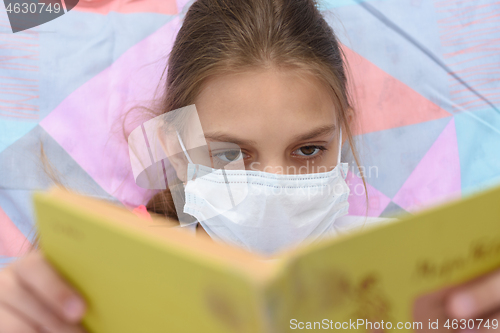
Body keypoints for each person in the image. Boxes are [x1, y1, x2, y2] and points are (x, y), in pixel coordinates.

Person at [0, 0, 498, 331]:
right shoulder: (101, 272)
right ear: (176, 147)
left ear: (344, 133)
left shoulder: (412, 277)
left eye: (308, 150)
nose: (275, 184)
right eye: (228, 155)